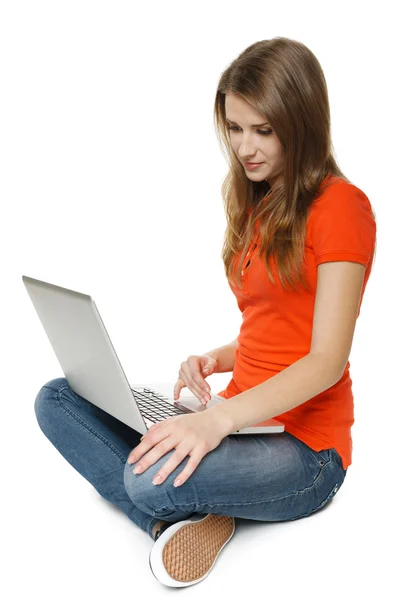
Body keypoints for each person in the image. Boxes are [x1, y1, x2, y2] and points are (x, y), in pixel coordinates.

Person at [34, 36, 377, 588]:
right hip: (244, 415)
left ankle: (168, 509)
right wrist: (216, 358)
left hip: (306, 450)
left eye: (263, 130)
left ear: (303, 120)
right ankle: (185, 515)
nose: (245, 147)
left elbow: (326, 359)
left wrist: (216, 420)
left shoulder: (342, 206)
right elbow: (279, 325)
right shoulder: (261, 201)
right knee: (56, 399)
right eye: (235, 128)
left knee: (146, 481)